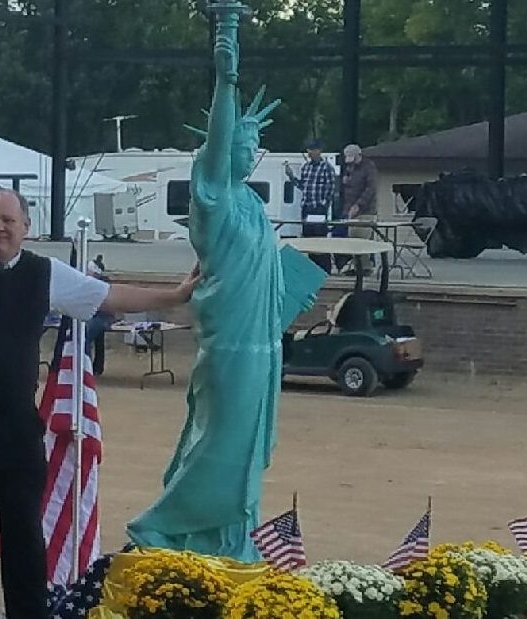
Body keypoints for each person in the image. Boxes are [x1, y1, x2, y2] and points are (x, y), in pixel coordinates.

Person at [0, 130, 200, 619]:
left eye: (7, 220)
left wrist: (171, 296)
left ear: (27, 227)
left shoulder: (46, 274)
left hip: (13, 429)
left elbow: (109, 297)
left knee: (24, 536)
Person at [124, 10, 325, 563]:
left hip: (261, 345)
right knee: (219, 447)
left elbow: (268, 274)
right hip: (231, 348)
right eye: (243, 138)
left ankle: (230, 541)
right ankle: (161, 526)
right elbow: (215, 146)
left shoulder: (256, 207)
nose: (248, 149)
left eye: (254, 142)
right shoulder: (212, 199)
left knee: (248, 453)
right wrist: (227, 73)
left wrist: (294, 289)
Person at [284, 139, 336, 273]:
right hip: (306, 208)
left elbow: (331, 188)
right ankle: (312, 267)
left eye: (312, 150)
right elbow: (303, 186)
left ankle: (324, 268)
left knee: (320, 239)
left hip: (318, 209)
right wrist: (291, 177)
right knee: (309, 238)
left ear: (319, 151)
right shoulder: (305, 167)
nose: (310, 153)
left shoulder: (327, 168)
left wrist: (323, 205)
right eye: (309, 150)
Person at [340, 143, 379, 273]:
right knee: (352, 239)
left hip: (365, 211)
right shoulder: (350, 169)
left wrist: (359, 204)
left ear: (359, 155)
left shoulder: (369, 167)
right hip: (350, 210)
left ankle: (366, 267)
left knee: (362, 241)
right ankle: (358, 267)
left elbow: (371, 189)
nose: (351, 162)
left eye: (353, 158)